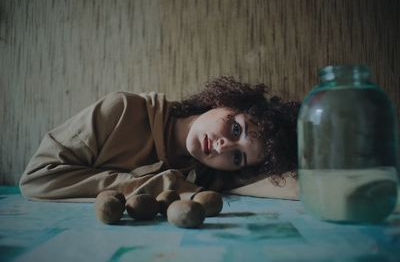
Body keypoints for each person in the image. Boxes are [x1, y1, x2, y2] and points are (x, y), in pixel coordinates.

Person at [19, 76, 300, 202]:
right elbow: (36, 178)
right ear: (225, 102)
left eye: (238, 157)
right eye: (236, 129)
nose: (225, 146)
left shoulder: (206, 175)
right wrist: (163, 184)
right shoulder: (122, 110)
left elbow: (296, 187)